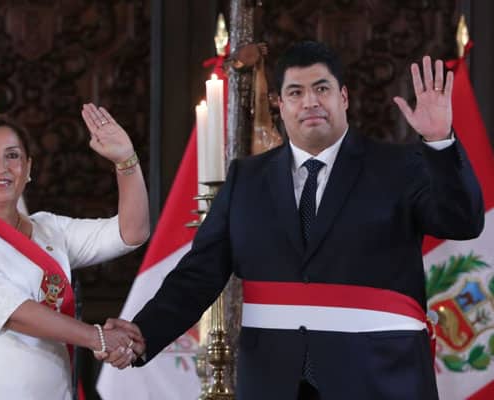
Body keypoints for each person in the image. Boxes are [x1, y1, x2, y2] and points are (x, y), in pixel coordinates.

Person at [101, 41, 485, 399]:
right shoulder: (246, 179)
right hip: (274, 382)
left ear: (344, 97)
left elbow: (463, 222)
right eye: (296, 93)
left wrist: (440, 142)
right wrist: (142, 333)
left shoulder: (400, 168)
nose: (310, 102)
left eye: (322, 89)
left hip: (381, 380)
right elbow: (198, 275)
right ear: (279, 104)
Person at [0, 104, 148, 400]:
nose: (0, 168)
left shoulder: (50, 229)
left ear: (28, 168)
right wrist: (98, 337)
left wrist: (125, 160)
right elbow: (10, 310)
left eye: (12, 156)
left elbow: (131, 232)